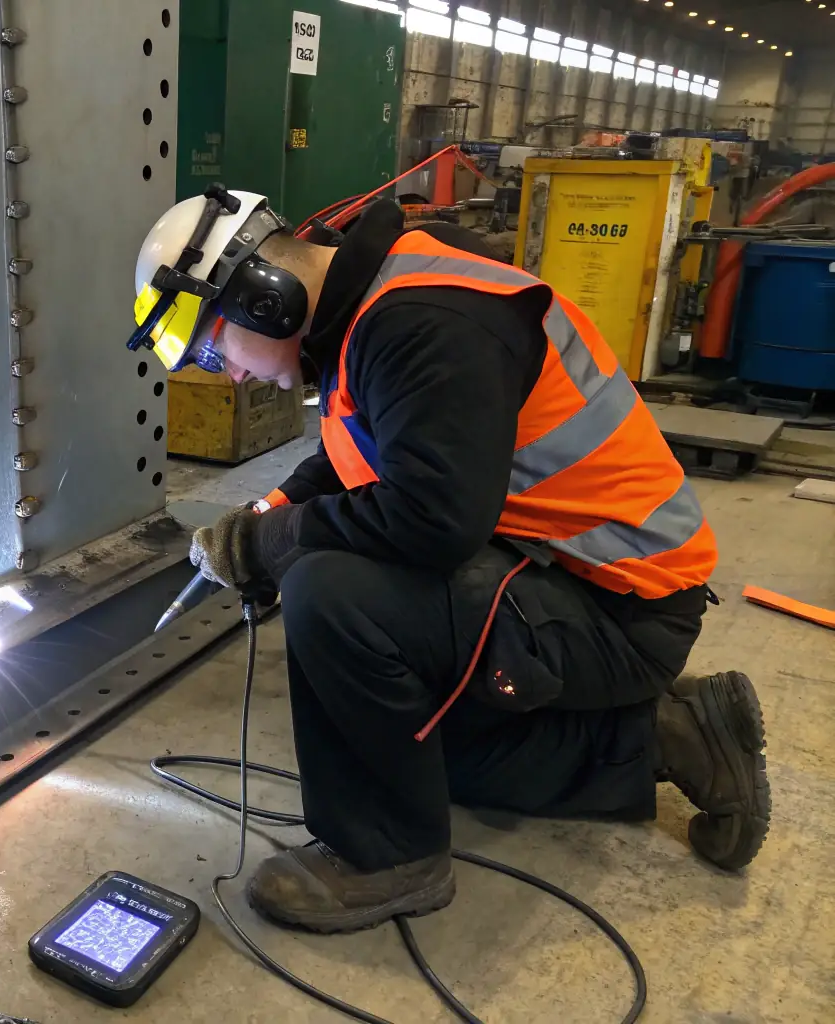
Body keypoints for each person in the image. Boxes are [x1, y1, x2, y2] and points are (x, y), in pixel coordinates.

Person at [127, 187, 770, 935]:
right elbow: (366, 451)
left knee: (328, 590)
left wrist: (273, 545)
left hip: (621, 610)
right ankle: (674, 734)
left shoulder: (422, 323)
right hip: (565, 579)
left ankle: (387, 859)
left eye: (212, 351)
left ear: (261, 301)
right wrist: (263, 516)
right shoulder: (372, 306)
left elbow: (431, 518)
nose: (228, 374)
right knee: (415, 752)